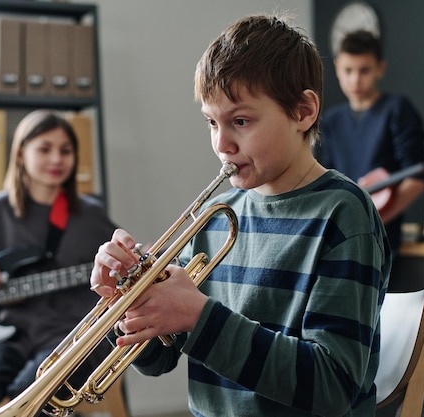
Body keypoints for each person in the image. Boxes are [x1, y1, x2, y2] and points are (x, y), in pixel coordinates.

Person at [90, 14, 391, 417]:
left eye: (241, 121)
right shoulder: (217, 216)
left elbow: (331, 386)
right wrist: (128, 304)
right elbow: (159, 362)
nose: (221, 143)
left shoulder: (343, 214)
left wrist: (199, 317)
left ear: (303, 111)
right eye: (212, 122)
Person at [0, 110, 117, 417]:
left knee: (32, 394)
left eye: (65, 151)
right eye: (45, 149)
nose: (57, 159)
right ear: (20, 154)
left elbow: (118, 262)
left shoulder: (91, 216)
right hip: (7, 333)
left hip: (67, 335)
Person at [318, 29, 424, 256]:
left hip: (381, 239)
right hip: (339, 237)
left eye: (364, 70)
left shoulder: (397, 110)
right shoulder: (331, 120)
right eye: (348, 70)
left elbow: (415, 179)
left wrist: (370, 223)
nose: (355, 79)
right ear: (337, 68)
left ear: (381, 68)